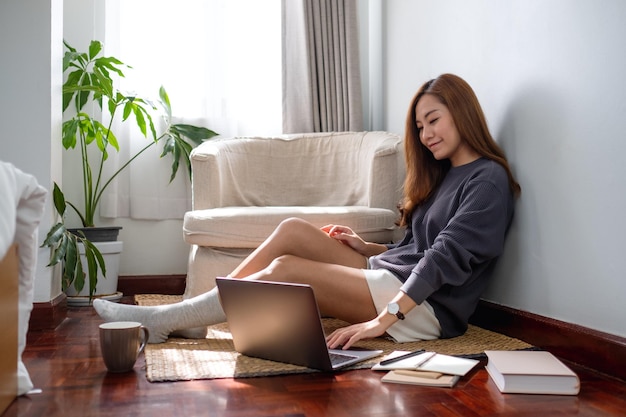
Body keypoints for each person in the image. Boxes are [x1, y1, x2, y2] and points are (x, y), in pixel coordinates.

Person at [94, 73, 520, 349]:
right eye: (420, 127)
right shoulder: (445, 176)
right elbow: (416, 245)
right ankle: (194, 314)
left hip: (423, 306)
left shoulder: (488, 180)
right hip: (394, 275)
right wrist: (365, 246)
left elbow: (442, 257)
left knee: (287, 269)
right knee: (294, 230)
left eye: (433, 120)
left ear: (461, 113)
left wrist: (381, 322)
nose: (426, 135)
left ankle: (168, 318)